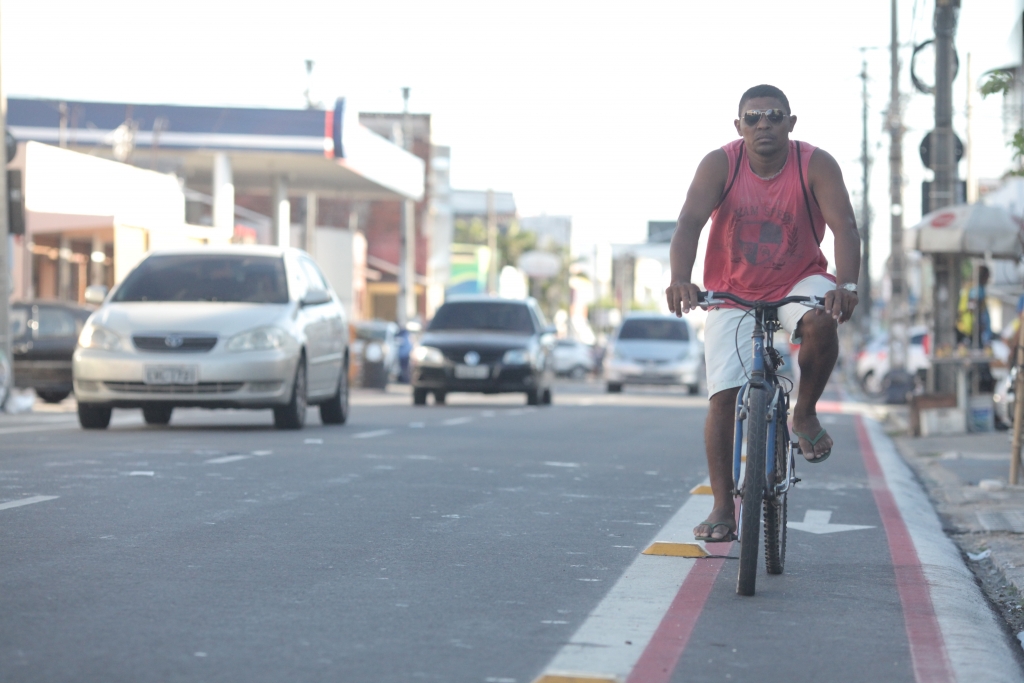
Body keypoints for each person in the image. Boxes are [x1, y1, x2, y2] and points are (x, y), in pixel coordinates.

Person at [665, 85, 860, 543]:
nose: (763, 125)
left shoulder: (814, 163)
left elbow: (844, 227)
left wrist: (847, 286)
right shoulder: (721, 164)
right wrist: (681, 278)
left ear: (791, 123)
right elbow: (688, 223)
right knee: (722, 399)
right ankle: (721, 505)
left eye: (773, 116)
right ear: (739, 127)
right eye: (752, 118)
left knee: (819, 323)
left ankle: (806, 413)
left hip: (798, 280)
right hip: (730, 290)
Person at [956, 265, 991, 348]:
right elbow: (972, 307)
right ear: (983, 276)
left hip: (968, 328)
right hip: (972, 330)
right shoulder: (977, 289)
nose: (988, 279)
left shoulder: (970, 287)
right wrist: (980, 323)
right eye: (987, 276)